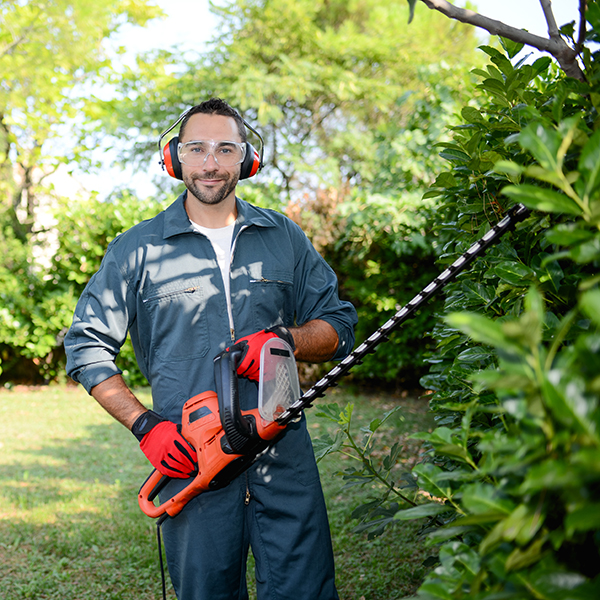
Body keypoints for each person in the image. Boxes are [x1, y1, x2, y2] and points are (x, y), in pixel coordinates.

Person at [64, 97, 358, 600]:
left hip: (282, 452)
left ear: (247, 159)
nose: (210, 162)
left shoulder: (283, 235)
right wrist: (145, 425)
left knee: (305, 590)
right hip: (193, 458)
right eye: (196, 148)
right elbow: (86, 347)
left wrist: (284, 340)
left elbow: (339, 327)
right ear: (174, 158)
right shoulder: (138, 250)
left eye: (226, 148)